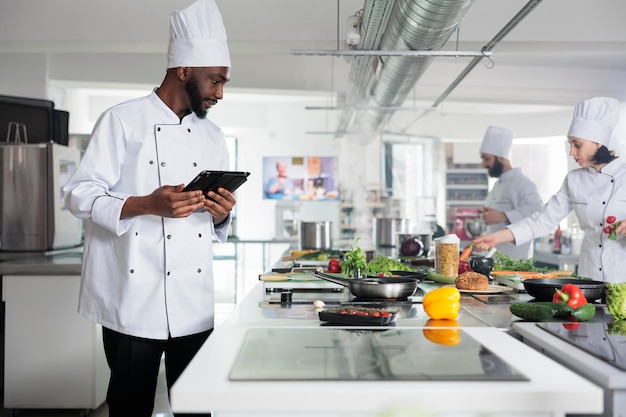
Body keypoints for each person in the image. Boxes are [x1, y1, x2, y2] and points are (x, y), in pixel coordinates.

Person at [62, 0, 233, 415]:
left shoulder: (213, 136)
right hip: (132, 298)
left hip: (193, 303)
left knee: (196, 407)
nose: (219, 93)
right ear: (184, 70)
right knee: (130, 405)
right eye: (215, 80)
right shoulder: (122, 121)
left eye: (224, 83)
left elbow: (217, 222)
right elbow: (78, 193)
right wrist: (146, 204)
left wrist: (222, 211)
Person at [474, 97, 625, 283]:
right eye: (571, 145)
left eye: (577, 144)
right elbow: (542, 220)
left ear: (598, 142)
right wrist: (497, 237)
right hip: (589, 277)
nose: (572, 152)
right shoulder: (574, 179)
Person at [478, 125, 543, 259]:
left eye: (486, 158)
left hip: (515, 260)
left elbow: (537, 210)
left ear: (501, 157)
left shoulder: (522, 183)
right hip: (495, 256)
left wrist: (504, 216)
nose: (483, 164)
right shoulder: (498, 185)